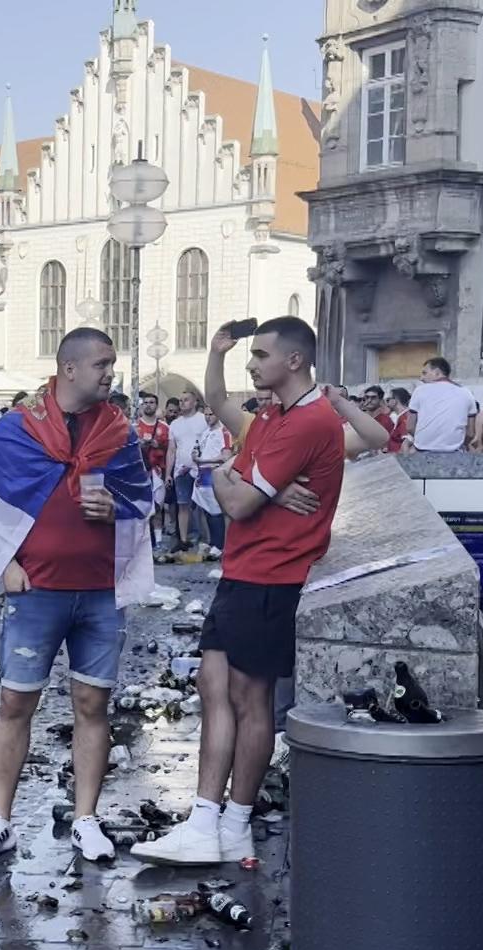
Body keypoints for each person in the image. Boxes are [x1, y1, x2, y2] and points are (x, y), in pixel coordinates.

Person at [136, 318, 386, 866]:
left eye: (261, 354)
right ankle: (214, 822)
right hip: (248, 573)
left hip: (269, 576)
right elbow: (226, 419)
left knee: (250, 702)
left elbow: (238, 502)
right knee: (214, 684)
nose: (252, 364)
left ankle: (227, 821)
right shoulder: (274, 416)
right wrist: (216, 355)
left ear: (294, 360)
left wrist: (230, 476)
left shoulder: (306, 421)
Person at [0, 327, 153, 864]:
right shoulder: (19, 429)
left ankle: (85, 818)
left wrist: (117, 510)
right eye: (102, 363)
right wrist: (6, 566)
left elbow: (140, 499)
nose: (110, 372)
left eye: (111, 363)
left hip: (99, 592)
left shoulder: (120, 431)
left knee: (93, 703)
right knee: (16, 703)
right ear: (69, 369)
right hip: (37, 590)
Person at [403, 357, 477, 453]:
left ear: (437, 373)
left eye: (424, 373)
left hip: (422, 453)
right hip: (455, 454)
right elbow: (470, 434)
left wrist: (425, 440)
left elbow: (410, 427)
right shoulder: (467, 393)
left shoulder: (420, 391)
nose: (421, 378)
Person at [167, 390, 207, 549]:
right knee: (182, 504)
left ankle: (206, 539)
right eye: (180, 400)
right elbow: (171, 450)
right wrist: (168, 474)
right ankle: (183, 540)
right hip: (180, 470)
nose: (182, 403)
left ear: (195, 402)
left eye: (186, 400)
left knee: (203, 505)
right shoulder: (175, 424)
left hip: (201, 468)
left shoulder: (204, 419)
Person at [190, 404, 230, 556]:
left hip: (213, 473)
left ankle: (219, 545)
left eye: (211, 414)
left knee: (215, 511)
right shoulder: (205, 432)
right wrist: (195, 455)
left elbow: (226, 456)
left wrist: (204, 460)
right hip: (201, 474)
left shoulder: (224, 432)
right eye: (206, 414)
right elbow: (199, 449)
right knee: (206, 511)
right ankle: (212, 541)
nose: (208, 417)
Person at [134, 392, 170, 542]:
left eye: (152, 402)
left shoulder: (165, 427)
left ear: (156, 406)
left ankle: (159, 540)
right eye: (146, 402)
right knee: (143, 508)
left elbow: (171, 450)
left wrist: (158, 445)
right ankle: (144, 541)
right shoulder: (135, 427)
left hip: (158, 471)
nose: (148, 405)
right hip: (141, 473)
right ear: (142, 406)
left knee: (158, 507)